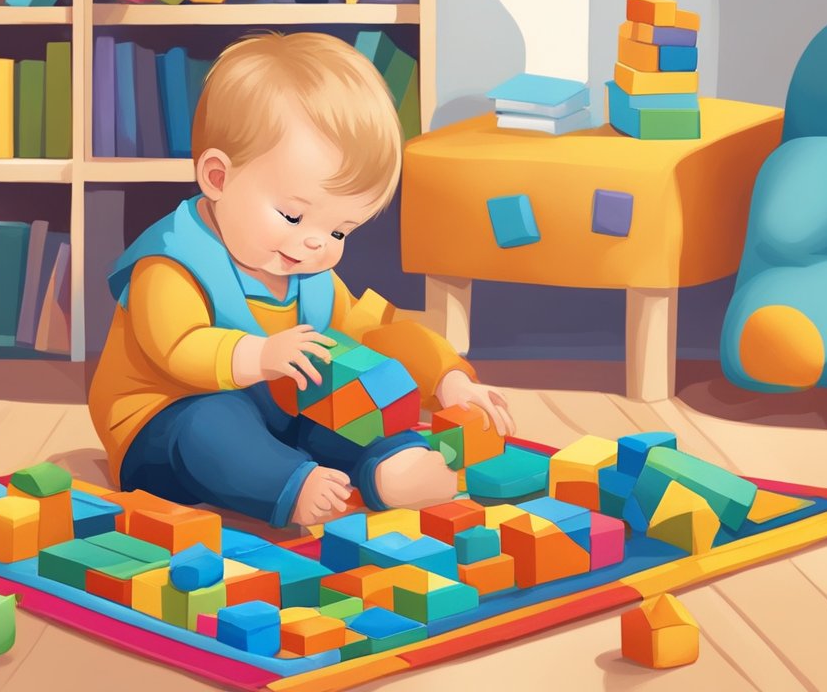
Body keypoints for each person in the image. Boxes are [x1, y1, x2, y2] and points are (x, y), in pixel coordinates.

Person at [89, 31, 515, 528]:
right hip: (163, 423)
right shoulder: (170, 264)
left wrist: (448, 377)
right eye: (293, 216)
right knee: (213, 424)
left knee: (343, 394)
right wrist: (261, 356)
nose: (317, 243)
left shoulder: (309, 272)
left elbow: (376, 330)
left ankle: (390, 464)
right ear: (219, 179)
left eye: (338, 229)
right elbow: (178, 347)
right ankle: (289, 484)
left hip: (280, 411)